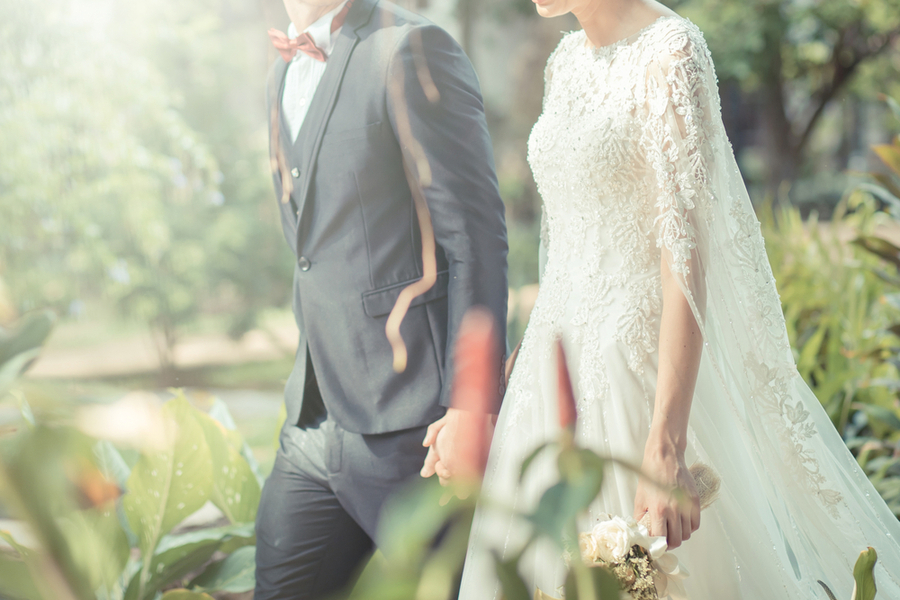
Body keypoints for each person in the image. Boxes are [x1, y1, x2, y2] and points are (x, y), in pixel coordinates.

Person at [459, 0, 900, 598]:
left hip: (633, 373)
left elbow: (686, 261)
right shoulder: (563, 61)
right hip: (550, 379)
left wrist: (666, 440)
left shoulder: (672, 53)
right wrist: (520, 363)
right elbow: (566, 239)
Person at [254, 1, 508, 598]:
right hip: (313, 418)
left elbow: (474, 236)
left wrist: (470, 403)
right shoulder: (279, 73)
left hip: (414, 423)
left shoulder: (411, 48)